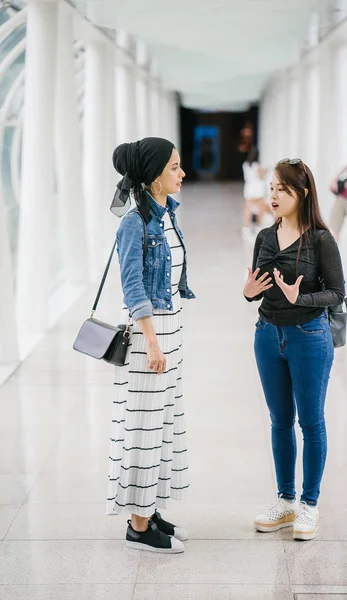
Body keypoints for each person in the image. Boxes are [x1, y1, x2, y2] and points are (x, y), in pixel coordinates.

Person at [243, 158, 345, 541]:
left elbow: (337, 292)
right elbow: (254, 285)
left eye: (281, 190)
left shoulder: (320, 239)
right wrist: (248, 293)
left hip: (309, 336)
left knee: (311, 421)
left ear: (301, 194)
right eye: (271, 189)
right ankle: (286, 501)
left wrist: (301, 296)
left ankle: (309, 504)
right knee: (280, 420)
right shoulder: (265, 238)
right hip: (268, 334)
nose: (272, 196)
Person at [107, 137, 195, 554]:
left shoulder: (165, 216)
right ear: (156, 174)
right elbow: (133, 287)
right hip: (150, 337)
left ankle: (149, 509)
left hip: (168, 330)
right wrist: (153, 343)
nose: (182, 173)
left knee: (161, 427)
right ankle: (138, 528)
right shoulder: (134, 224)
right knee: (143, 429)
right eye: (175, 167)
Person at [242, 147, 271, 238]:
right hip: (258, 190)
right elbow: (262, 177)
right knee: (260, 209)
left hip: (248, 189)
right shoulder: (257, 165)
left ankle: (246, 228)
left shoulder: (245, 164)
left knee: (248, 209)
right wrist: (266, 171)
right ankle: (258, 226)